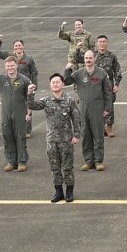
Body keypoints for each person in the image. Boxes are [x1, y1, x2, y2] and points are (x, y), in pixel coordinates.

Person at [27, 73, 82, 203]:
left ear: (63, 84)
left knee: (67, 167)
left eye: (58, 82)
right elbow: (32, 105)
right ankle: (58, 191)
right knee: (54, 167)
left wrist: (77, 135)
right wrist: (30, 93)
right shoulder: (46, 101)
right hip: (51, 140)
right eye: (53, 82)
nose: (55, 84)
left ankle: (69, 191)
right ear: (50, 85)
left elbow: (76, 118)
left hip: (66, 139)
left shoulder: (69, 100)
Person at [0, 53, 35, 172]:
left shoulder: (25, 80)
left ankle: (21, 162)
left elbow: (30, 98)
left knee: (20, 137)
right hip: (5, 113)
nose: (10, 68)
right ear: (5, 66)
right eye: (8, 66)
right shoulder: (2, 79)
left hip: (20, 113)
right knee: (7, 137)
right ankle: (11, 162)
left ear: (16, 65)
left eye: (12, 65)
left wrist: (29, 113)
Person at [62, 50, 111, 171]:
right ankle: (88, 161)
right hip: (83, 109)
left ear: (95, 59)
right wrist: (67, 69)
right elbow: (66, 81)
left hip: (97, 109)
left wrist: (107, 108)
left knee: (98, 135)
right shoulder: (79, 73)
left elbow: (108, 92)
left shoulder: (101, 73)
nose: (88, 60)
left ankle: (98, 161)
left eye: (90, 58)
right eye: (86, 58)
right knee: (86, 135)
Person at [0, 35, 38, 137]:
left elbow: (34, 72)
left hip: (26, 85)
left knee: (27, 106)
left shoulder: (29, 59)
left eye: (20, 45)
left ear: (23, 46)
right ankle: (14, 128)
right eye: (16, 46)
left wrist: (34, 86)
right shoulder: (10, 57)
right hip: (13, 86)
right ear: (14, 47)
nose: (18, 47)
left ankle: (27, 130)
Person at [91, 35, 122, 138]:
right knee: (97, 107)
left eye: (104, 42)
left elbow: (117, 71)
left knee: (109, 106)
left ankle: (109, 128)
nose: (102, 44)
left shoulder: (112, 56)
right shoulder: (93, 56)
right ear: (97, 43)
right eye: (100, 42)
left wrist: (116, 85)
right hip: (95, 86)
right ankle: (100, 128)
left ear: (107, 43)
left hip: (108, 86)